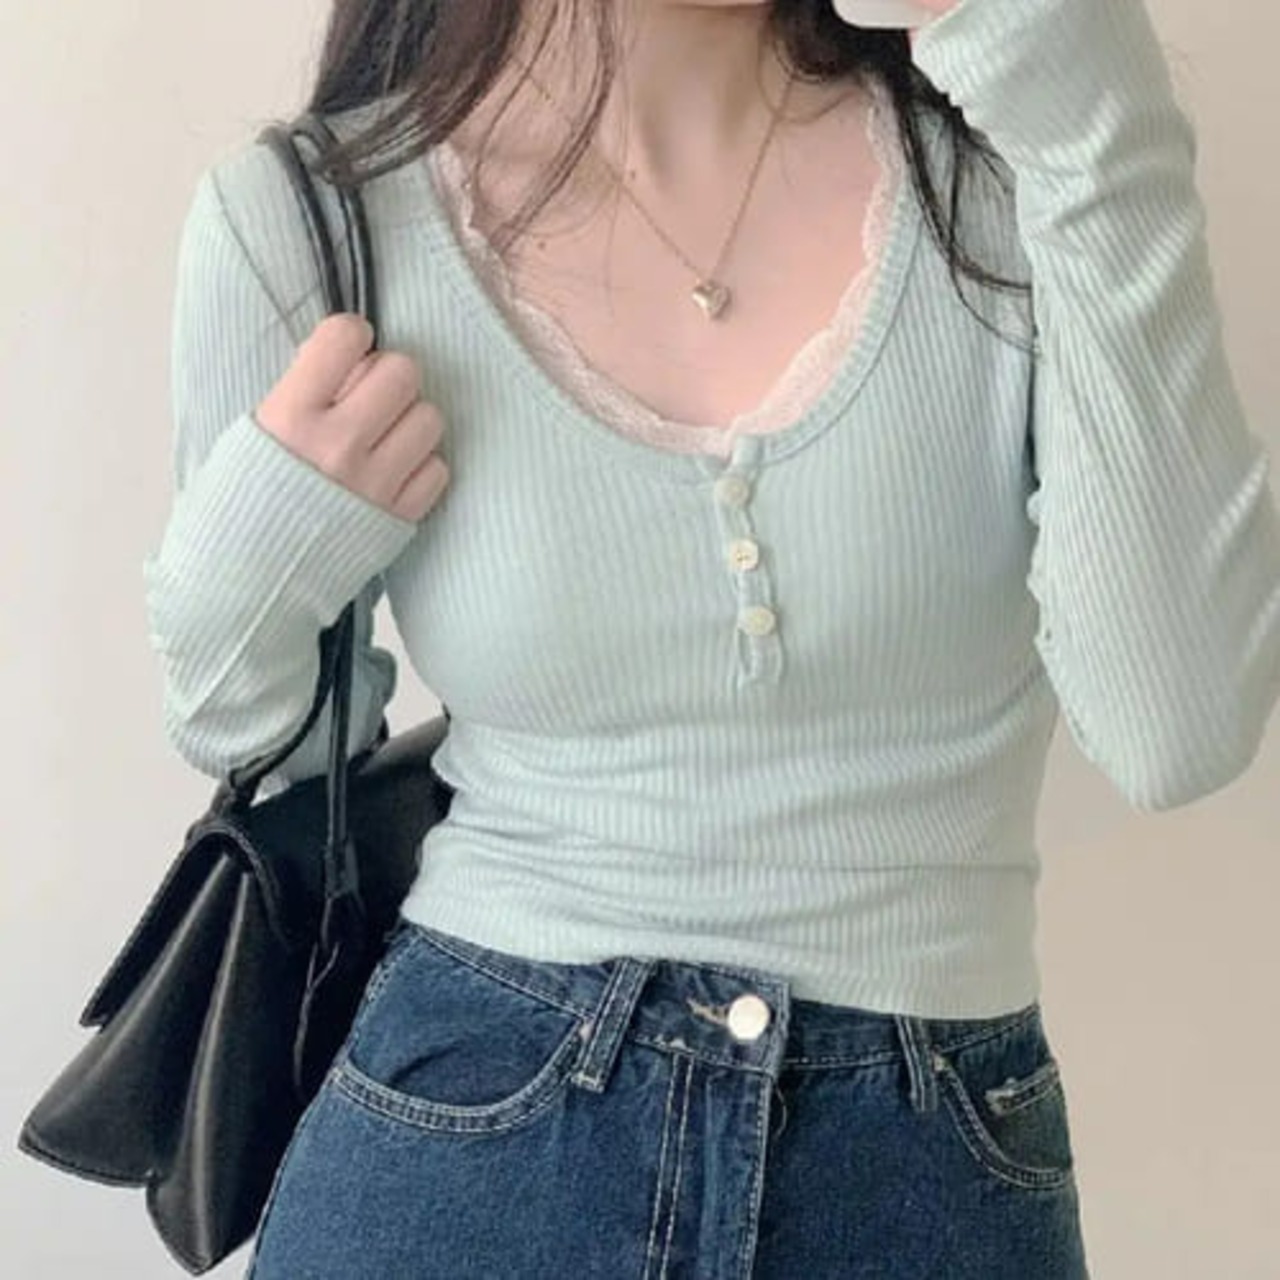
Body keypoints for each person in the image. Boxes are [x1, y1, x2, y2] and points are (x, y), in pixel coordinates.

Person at [144, 1, 1280, 1275]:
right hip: (465, 1140)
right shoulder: (311, 217)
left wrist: (1087, 115)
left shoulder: (1017, 160)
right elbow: (266, 750)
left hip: (926, 1167)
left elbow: (1174, 725)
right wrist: (257, 540)